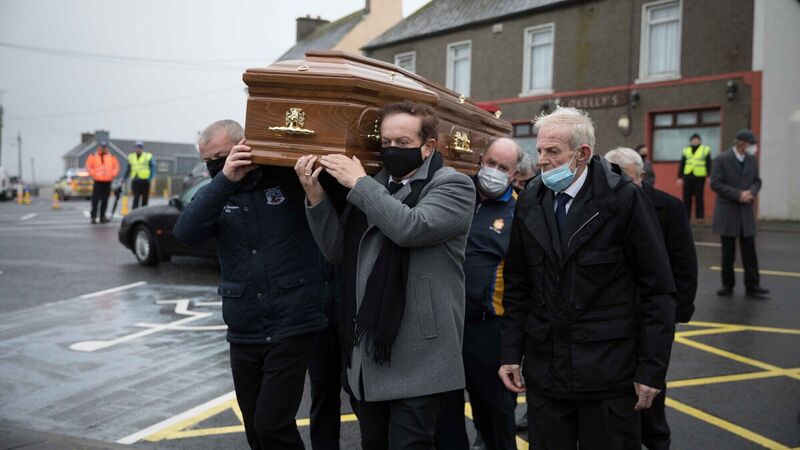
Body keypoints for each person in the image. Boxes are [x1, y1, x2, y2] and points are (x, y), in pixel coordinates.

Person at [295, 100, 475, 450]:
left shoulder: (453, 186)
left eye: (403, 144)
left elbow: (410, 227)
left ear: (428, 147)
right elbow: (336, 252)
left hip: (420, 356)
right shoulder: (372, 187)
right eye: (386, 143)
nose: (392, 150)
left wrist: (360, 183)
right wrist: (315, 194)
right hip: (369, 354)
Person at [498, 107, 676, 450]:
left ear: (582, 154)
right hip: (546, 375)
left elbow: (658, 290)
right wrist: (510, 352)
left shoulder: (623, 199)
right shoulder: (531, 199)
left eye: (553, 152)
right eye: (539, 150)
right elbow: (518, 284)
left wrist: (652, 370)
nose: (542, 161)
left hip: (607, 376)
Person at [174, 119, 334, 450]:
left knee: (272, 423)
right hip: (244, 324)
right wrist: (225, 181)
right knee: (255, 429)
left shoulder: (284, 178)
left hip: (293, 321)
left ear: (243, 146)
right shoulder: (216, 193)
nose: (216, 165)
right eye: (209, 162)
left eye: (221, 155)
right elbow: (186, 234)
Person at [605, 147, 698, 450]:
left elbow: (684, 265)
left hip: (651, 317)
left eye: (628, 179)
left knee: (650, 396)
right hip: (611, 321)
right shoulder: (599, 204)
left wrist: (672, 316)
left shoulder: (668, 207)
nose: (620, 185)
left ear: (642, 176)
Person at [435, 138, 521, 450]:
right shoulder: (455, 193)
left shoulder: (519, 213)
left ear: (513, 175)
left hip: (488, 329)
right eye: (491, 163)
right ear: (480, 160)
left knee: (495, 413)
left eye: (503, 168)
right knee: (444, 412)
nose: (494, 171)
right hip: (444, 323)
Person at [711, 129, 769, 299]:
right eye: (753, 144)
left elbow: (757, 181)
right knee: (728, 253)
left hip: (745, 212)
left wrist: (751, 192)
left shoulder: (752, 159)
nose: (754, 148)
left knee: (750, 252)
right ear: (743, 143)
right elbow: (715, 183)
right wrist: (738, 194)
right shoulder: (722, 159)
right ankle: (727, 285)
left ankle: (753, 285)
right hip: (727, 212)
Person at [677, 133, 712, 222]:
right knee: (686, 197)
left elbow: (709, 164)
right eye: (693, 139)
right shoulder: (686, 150)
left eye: (697, 139)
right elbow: (682, 164)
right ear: (691, 141)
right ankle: (686, 216)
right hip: (688, 176)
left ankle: (699, 217)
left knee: (699, 197)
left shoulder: (705, 149)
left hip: (700, 176)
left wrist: (709, 176)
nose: (695, 141)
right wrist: (679, 177)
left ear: (700, 141)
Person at [85, 141, 120, 224]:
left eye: (105, 147)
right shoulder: (93, 156)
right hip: (97, 181)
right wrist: (94, 174)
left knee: (105, 199)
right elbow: (88, 166)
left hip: (107, 181)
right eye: (102, 147)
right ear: (99, 147)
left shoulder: (111, 156)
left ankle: (102, 216)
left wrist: (113, 174)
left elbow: (116, 166)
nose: (104, 149)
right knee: (95, 200)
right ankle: (93, 217)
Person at [124, 140, 155, 209]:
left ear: (142, 148)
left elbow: (152, 168)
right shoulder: (131, 157)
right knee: (136, 197)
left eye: (140, 147)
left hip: (145, 180)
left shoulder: (148, 156)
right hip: (135, 180)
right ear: (135, 148)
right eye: (137, 147)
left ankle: (143, 212)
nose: (138, 149)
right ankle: (135, 212)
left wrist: (150, 178)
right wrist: (124, 178)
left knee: (145, 198)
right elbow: (128, 169)